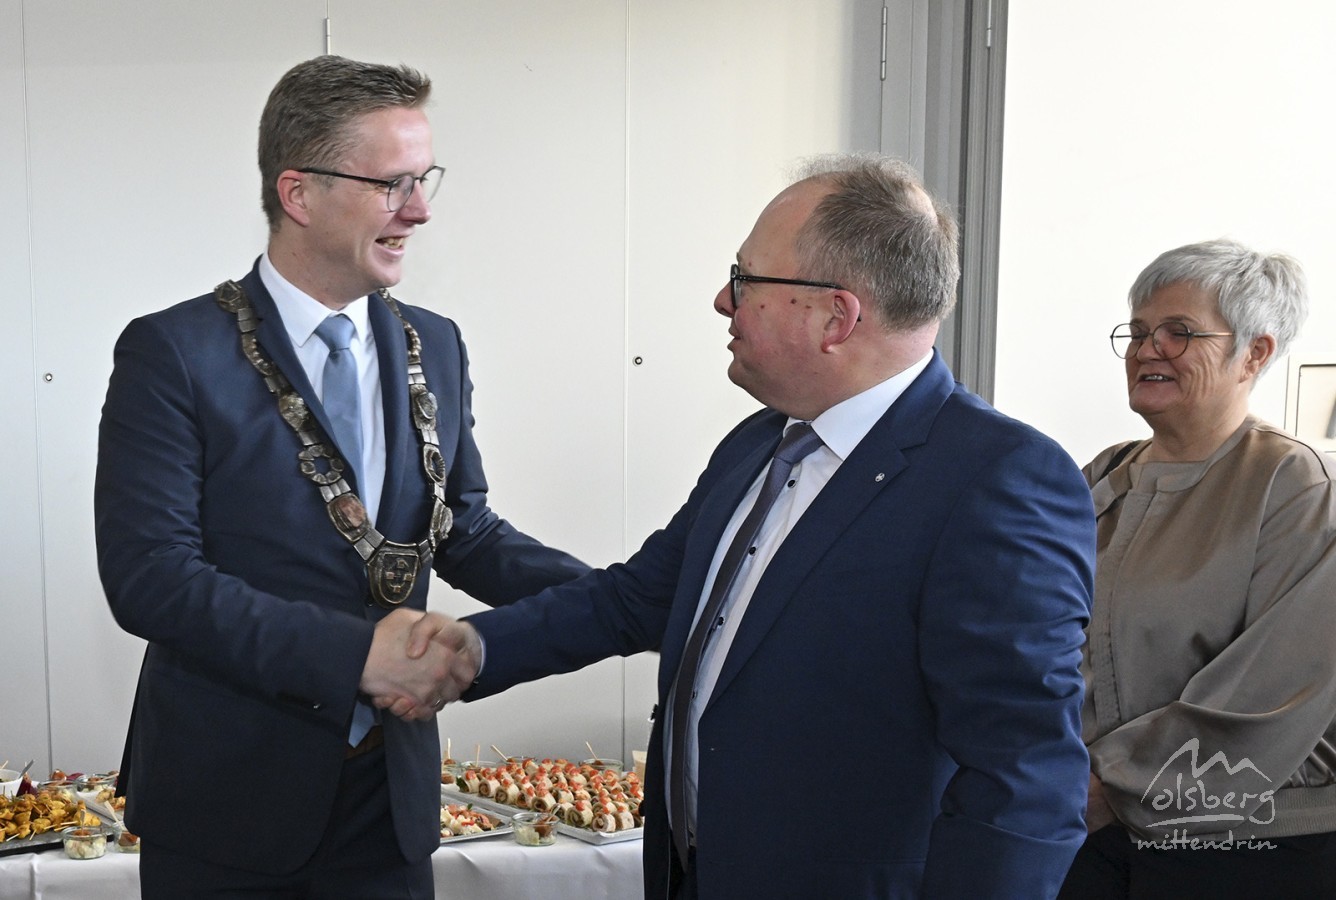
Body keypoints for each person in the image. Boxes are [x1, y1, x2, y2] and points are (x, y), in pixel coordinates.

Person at [430, 153, 1096, 898]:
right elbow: (636, 598)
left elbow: (1025, 777)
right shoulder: (758, 444)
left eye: (745, 279)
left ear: (836, 317)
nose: (723, 300)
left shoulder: (998, 479)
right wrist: (467, 651)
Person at [93, 55, 589, 897]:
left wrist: (626, 600)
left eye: (424, 179)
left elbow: (462, 531)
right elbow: (151, 579)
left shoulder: (436, 342)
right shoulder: (174, 352)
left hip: (388, 808)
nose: (420, 209)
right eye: (393, 184)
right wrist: (359, 656)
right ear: (299, 193)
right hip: (226, 806)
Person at [1058, 239, 1336, 898]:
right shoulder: (1102, 475)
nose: (1147, 350)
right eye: (1139, 332)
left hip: (1243, 844)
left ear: (1255, 353)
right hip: (1087, 825)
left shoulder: (1295, 485)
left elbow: (1270, 691)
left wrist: (1108, 785)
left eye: (1179, 332)